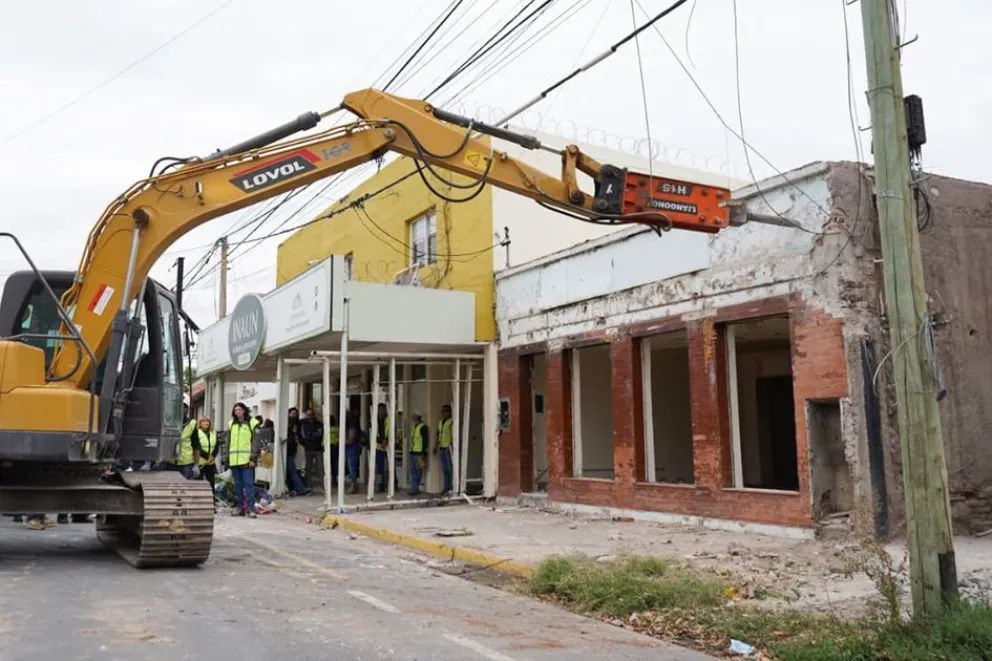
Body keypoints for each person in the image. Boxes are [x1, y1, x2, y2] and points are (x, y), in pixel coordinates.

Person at [228, 402, 260, 517]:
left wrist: (253, 458)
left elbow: (256, 442)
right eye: (236, 410)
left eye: (240, 409)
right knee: (237, 486)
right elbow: (229, 442)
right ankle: (240, 508)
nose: (238, 412)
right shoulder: (231, 424)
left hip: (247, 461)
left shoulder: (252, 423)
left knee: (248, 485)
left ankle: (251, 509)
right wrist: (227, 459)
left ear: (244, 410)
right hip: (234, 460)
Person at [285, 408, 311, 496]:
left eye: (295, 414)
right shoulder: (287, 425)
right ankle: (300, 489)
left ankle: (296, 488)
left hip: (293, 450)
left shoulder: (297, 424)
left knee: (294, 470)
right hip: (288, 450)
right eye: (292, 413)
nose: (294, 415)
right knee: (293, 471)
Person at [191, 416, 218, 491]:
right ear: (200, 423)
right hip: (200, 462)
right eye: (203, 421)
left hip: (210, 463)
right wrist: (207, 456)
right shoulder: (197, 432)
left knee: (211, 483)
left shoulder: (213, 432)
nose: (206, 423)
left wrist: (212, 456)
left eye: (207, 421)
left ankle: (211, 500)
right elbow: (196, 447)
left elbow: (216, 446)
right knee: (198, 483)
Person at [300, 409, 324, 489]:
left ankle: (323, 486)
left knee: (320, 468)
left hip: (318, 448)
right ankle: (309, 486)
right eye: (308, 414)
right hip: (308, 449)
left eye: (311, 414)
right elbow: (304, 436)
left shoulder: (319, 424)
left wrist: (311, 435)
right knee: (308, 469)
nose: (310, 416)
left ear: (314, 415)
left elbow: (321, 434)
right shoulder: (303, 424)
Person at [434, 404, 454, 495]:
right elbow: (438, 434)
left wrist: (452, 444)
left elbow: (453, 434)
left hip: (448, 448)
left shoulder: (452, 421)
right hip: (442, 447)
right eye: (442, 411)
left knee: (450, 469)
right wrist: (435, 445)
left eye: (446, 411)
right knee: (445, 469)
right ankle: (446, 488)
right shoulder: (441, 422)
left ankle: (452, 487)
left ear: (449, 412)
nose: (444, 413)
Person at [408, 412, 428, 496]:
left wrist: (423, 452)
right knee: (413, 471)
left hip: (419, 452)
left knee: (418, 471)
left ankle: (415, 488)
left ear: (418, 417)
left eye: (414, 416)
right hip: (413, 452)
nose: (412, 417)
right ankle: (414, 488)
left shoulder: (423, 427)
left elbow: (425, 440)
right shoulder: (414, 427)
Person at [375, 403, 390, 493]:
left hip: (387, 445)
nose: (380, 411)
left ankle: (392, 483)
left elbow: (389, 430)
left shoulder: (387, 419)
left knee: (389, 465)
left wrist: (386, 440)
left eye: (382, 409)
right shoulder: (375, 419)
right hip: (378, 445)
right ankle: (380, 484)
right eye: (379, 409)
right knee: (379, 466)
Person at [345, 424, 362, 494]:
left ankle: (353, 486)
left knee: (352, 469)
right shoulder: (354, 430)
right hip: (351, 452)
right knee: (351, 469)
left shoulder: (352, 430)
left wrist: (344, 440)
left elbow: (350, 441)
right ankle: (354, 486)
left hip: (352, 452)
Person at [327, 415, 340, 488]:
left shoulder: (326, 428)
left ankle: (332, 479)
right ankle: (333, 479)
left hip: (330, 447)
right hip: (334, 446)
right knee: (334, 463)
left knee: (330, 463)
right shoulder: (336, 429)